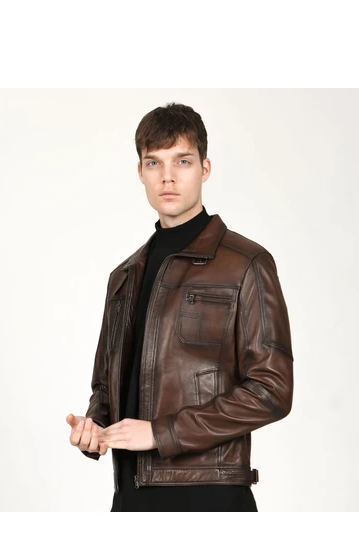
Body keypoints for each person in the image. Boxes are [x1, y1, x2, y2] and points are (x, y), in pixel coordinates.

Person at [66, 102, 294, 512]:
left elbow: (272, 390)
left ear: (205, 168)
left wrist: (161, 433)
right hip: (129, 497)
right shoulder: (123, 276)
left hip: (211, 495)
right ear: (140, 172)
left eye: (182, 161)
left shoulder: (246, 264)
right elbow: (105, 387)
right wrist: (95, 427)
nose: (167, 176)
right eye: (154, 163)